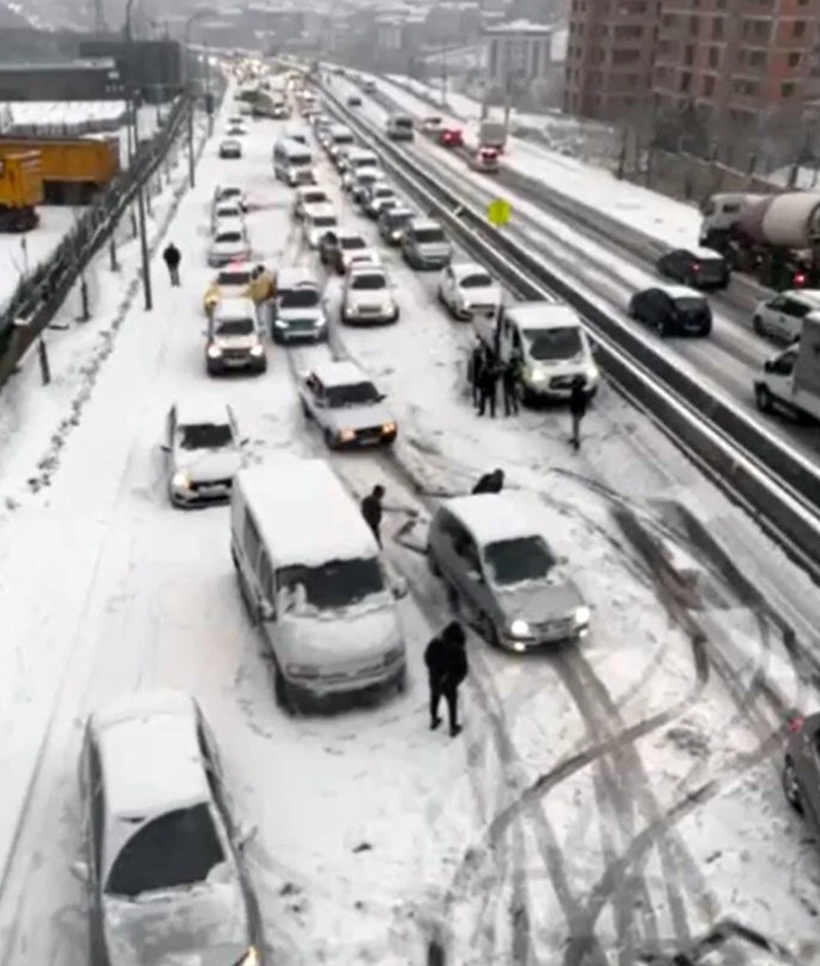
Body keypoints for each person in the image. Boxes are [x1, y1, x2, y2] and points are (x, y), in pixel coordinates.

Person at [424, 620, 469, 737]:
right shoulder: (458, 648)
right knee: (452, 702)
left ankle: (434, 719)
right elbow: (462, 668)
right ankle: (453, 727)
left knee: (435, 697)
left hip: (435, 677)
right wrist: (455, 679)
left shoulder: (436, 643)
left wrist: (435, 671)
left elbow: (427, 658)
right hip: (450, 680)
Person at [569, 377, 589, 452]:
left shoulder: (578, 393)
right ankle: (575, 438)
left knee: (576, 426)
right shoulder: (580, 393)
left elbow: (580, 404)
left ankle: (576, 440)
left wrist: (580, 412)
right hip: (576, 411)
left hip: (576, 411)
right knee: (575, 425)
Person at [477, 353, 499, 417]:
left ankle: (483, 411)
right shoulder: (493, 368)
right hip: (490, 385)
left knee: (483, 399)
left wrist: (481, 385)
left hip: (486, 385)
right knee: (491, 399)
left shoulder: (485, 367)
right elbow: (497, 377)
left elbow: (481, 376)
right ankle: (492, 413)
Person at [468, 341, 485, 409]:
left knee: (476, 390)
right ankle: (477, 402)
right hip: (477, 377)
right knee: (478, 390)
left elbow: (470, 369)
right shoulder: (478, 360)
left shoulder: (474, 360)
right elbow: (470, 369)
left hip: (477, 377)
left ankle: (476, 402)